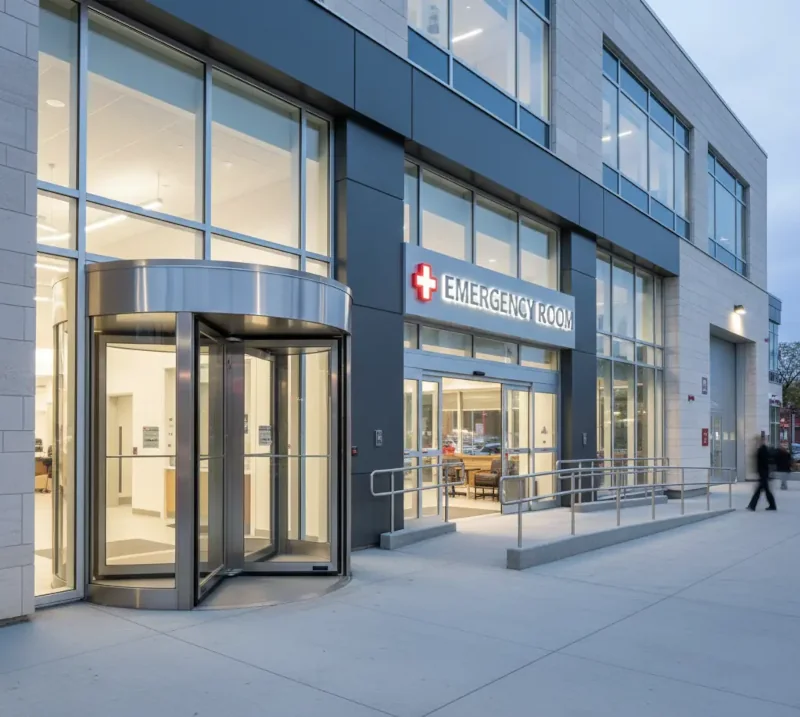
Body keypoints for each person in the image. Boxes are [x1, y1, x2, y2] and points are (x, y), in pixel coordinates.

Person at [747, 437, 776, 511]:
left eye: (758, 441)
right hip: (764, 473)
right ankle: (772, 505)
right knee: (765, 490)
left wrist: (762, 473)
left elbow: (762, 462)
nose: (757, 442)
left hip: (763, 473)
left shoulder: (762, 450)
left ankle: (752, 506)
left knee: (759, 490)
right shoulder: (763, 449)